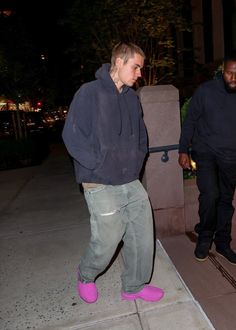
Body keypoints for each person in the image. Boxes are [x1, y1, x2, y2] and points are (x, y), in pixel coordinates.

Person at [62, 42, 164, 304]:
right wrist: (97, 164)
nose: (139, 73)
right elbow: (72, 136)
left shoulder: (131, 98)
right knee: (108, 238)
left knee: (142, 235)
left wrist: (136, 160)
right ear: (119, 61)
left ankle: (134, 286)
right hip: (99, 180)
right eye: (136, 66)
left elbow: (141, 135)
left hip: (130, 179)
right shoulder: (89, 93)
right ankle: (86, 275)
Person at [178, 51, 236, 264]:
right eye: (230, 73)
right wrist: (183, 149)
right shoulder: (205, 91)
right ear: (223, 71)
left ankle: (222, 243)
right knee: (210, 195)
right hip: (206, 154)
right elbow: (191, 120)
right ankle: (204, 238)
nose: (234, 79)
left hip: (231, 158)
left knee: (225, 201)